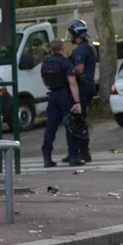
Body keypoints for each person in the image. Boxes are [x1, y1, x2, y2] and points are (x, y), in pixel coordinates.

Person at [38, 39, 82, 168]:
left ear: (51, 50)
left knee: (51, 127)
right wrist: (77, 101)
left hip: (52, 95)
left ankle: (47, 157)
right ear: (62, 49)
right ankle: (73, 156)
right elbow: (72, 83)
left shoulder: (45, 64)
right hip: (64, 95)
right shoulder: (65, 63)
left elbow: (44, 81)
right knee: (70, 125)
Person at [66, 20, 98, 165]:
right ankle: (80, 151)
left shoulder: (80, 50)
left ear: (76, 34)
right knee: (81, 118)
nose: (70, 36)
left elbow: (79, 69)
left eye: (71, 34)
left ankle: (82, 152)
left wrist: (67, 72)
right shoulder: (89, 47)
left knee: (77, 121)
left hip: (83, 87)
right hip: (89, 85)